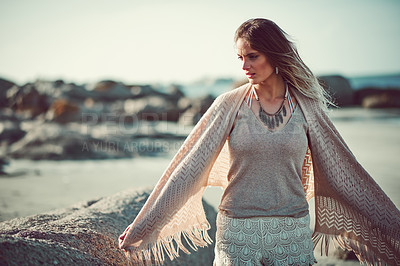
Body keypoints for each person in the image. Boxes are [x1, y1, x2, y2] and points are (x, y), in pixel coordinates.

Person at [118, 18, 400, 265]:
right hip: (237, 233)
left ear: (275, 55)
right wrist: (143, 226)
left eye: (252, 56)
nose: (245, 66)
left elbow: (345, 172)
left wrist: (393, 228)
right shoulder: (228, 105)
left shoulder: (307, 107)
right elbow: (188, 168)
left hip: (291, 233)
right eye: (240, 58)